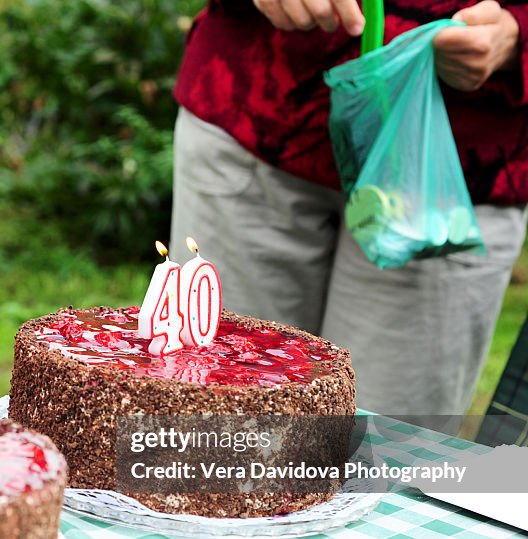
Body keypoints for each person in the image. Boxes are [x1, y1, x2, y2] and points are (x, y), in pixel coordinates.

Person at [169, 0, 528, 416]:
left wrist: (517, 31)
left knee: (380, 464)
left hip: (446, 178)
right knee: (215, 435)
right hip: (258, 111)